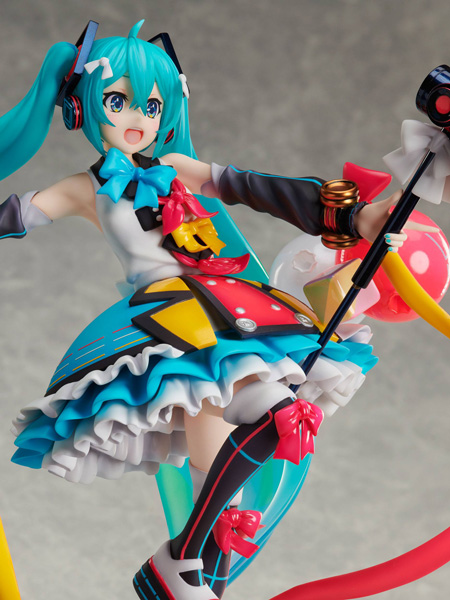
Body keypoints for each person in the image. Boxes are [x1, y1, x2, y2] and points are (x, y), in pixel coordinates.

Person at [0, 20, 410, 600]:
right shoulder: (86, 188)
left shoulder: (174, 167)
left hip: (228, 310)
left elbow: (255, 188)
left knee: (278, 418)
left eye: (151, 105)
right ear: (83, 105)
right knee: (244, 425)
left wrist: (349, 216)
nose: (136, 117)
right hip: (167, 320)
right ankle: (187, 562)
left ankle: (183, 559)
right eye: (117, 101)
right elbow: (15, 216)